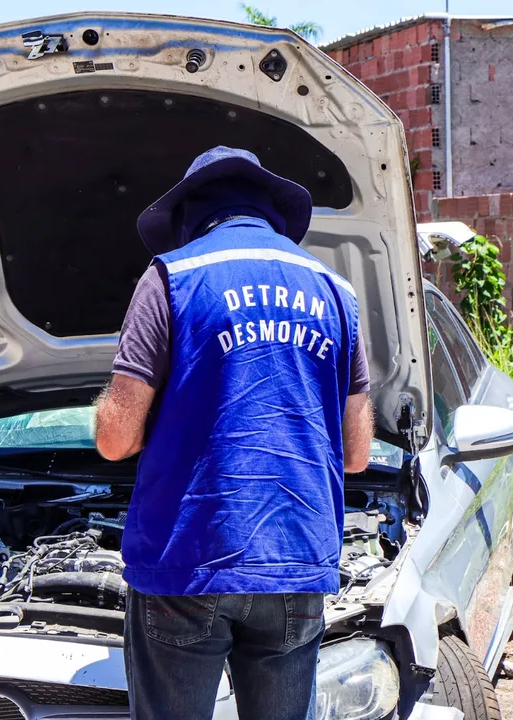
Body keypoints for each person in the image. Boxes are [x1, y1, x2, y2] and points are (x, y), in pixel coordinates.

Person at [94, 146, 373, 720]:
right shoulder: (335, 291)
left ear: (190, 215)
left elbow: (114, 439)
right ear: (271, 213)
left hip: (187, 560)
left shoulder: (171, 278)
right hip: (295, 561)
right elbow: (356, 453)